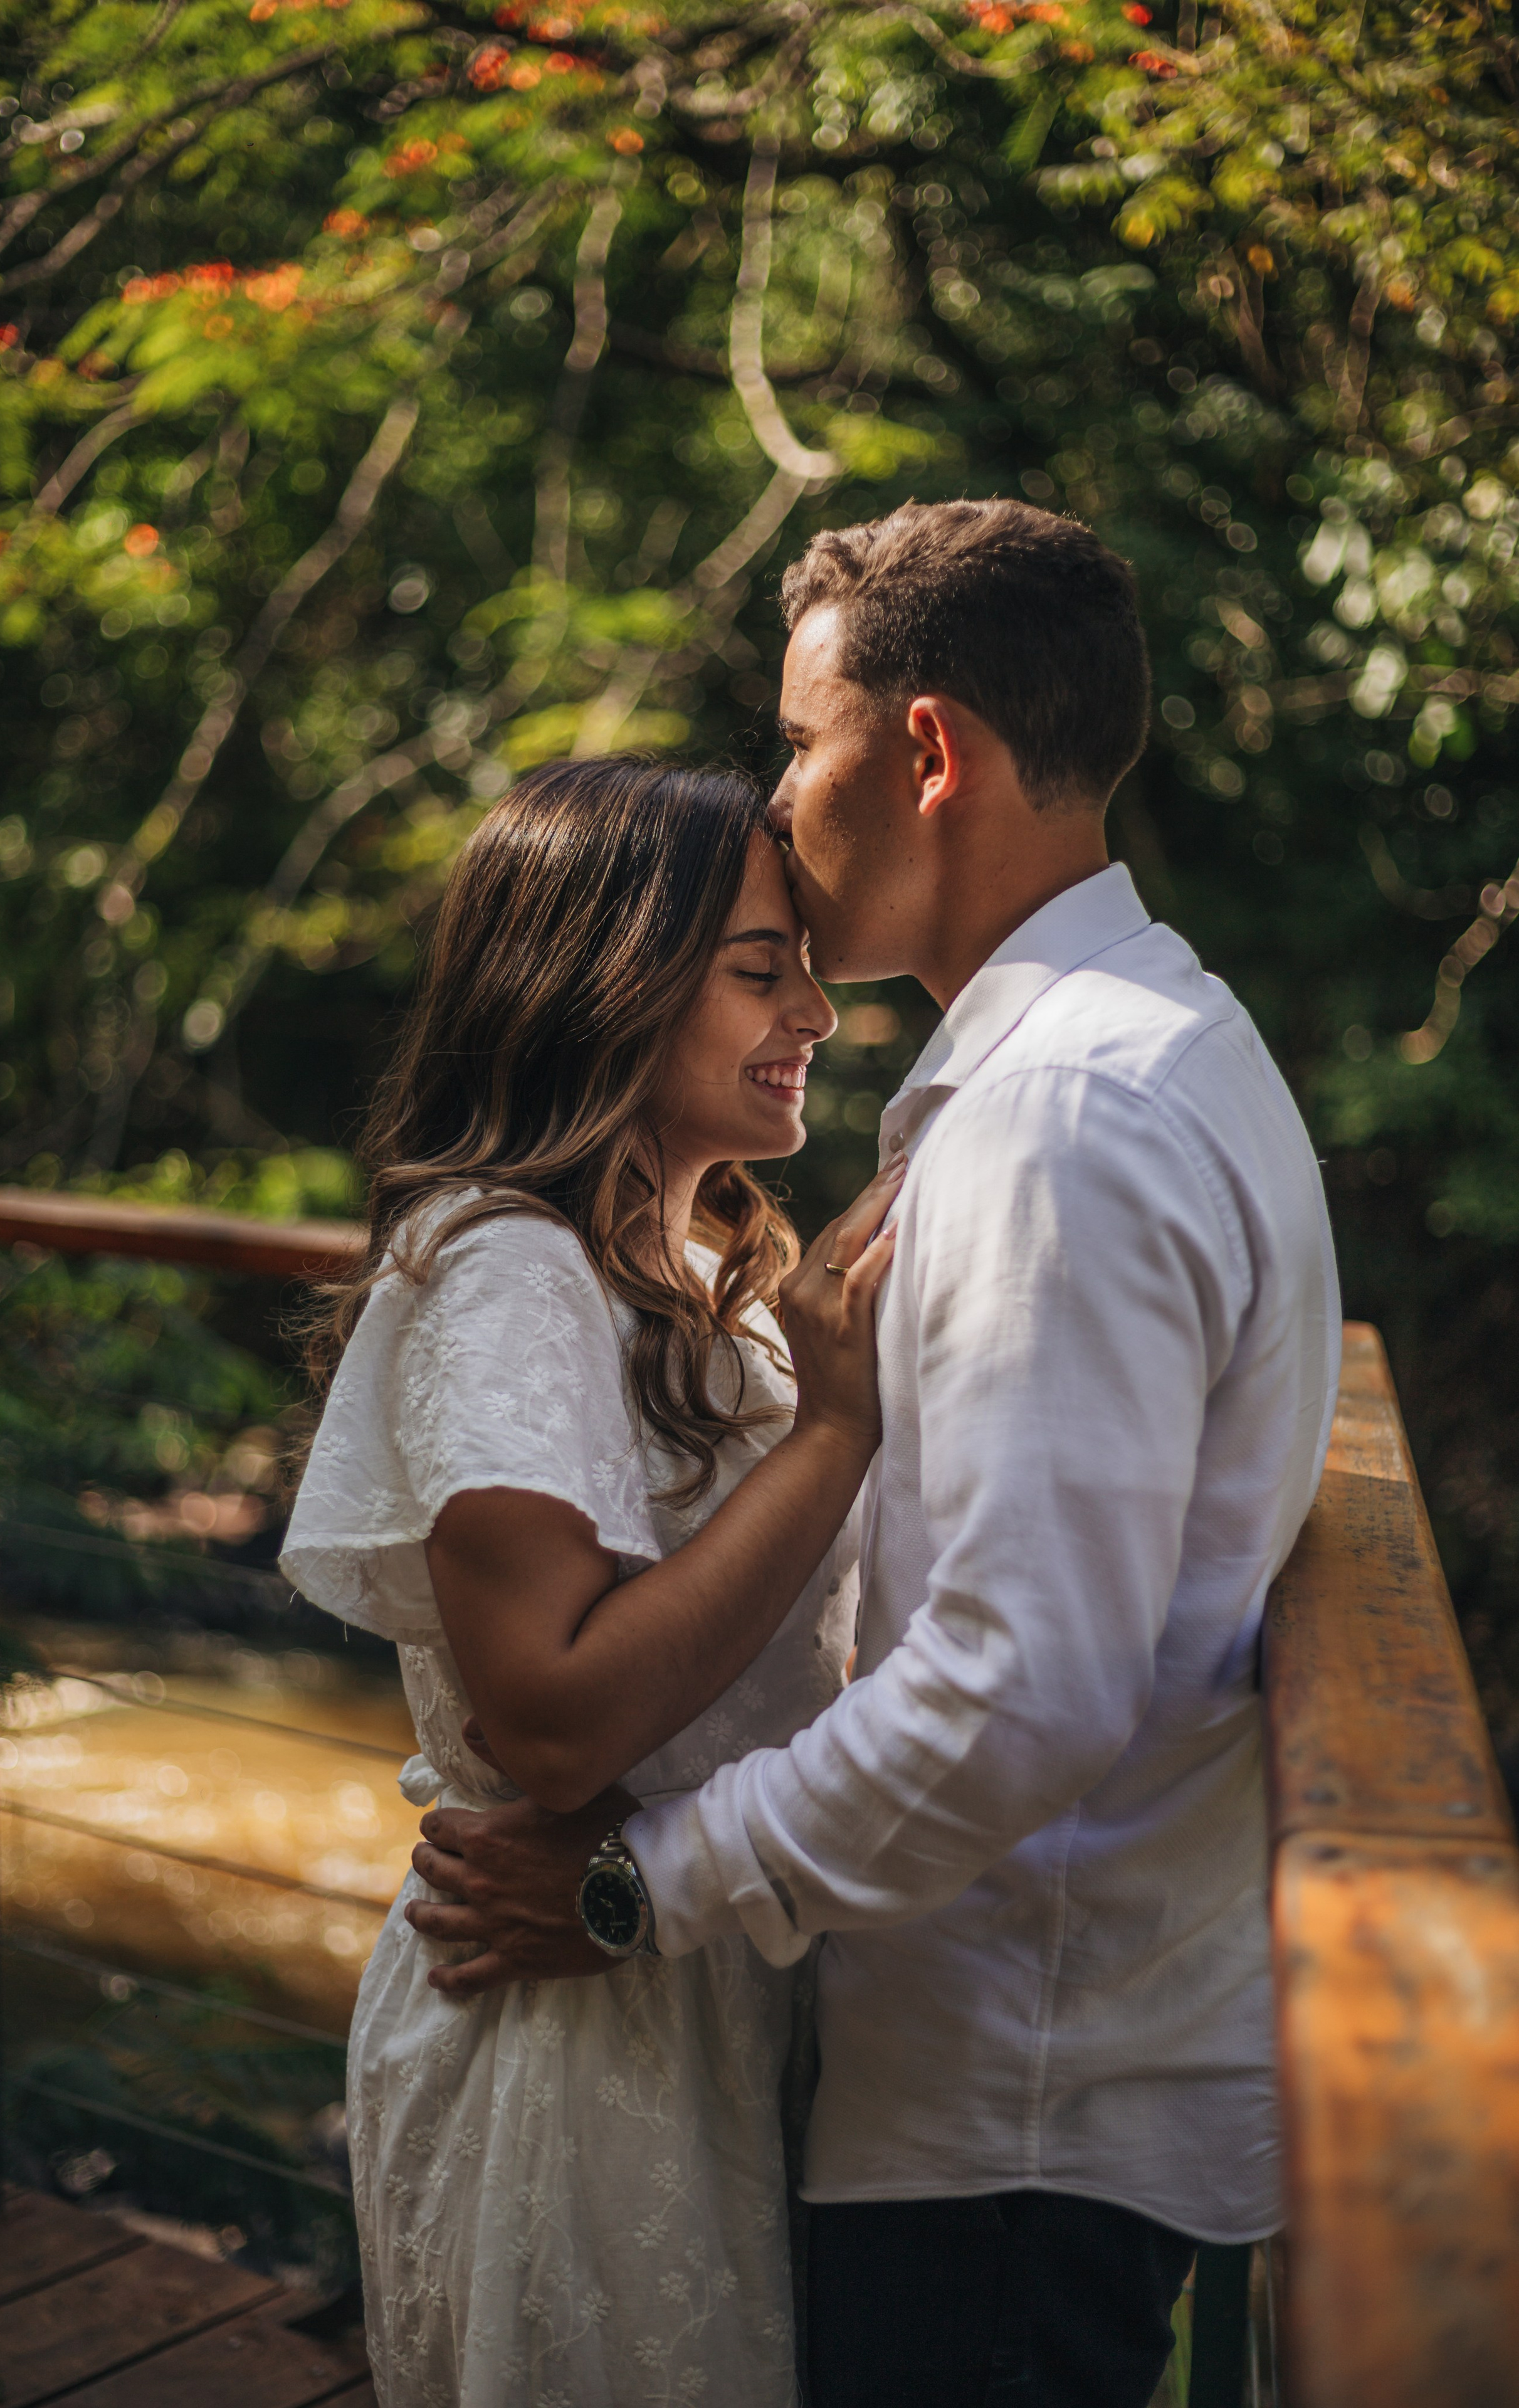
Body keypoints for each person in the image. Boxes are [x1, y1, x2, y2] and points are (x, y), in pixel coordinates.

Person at [406, 500, 1343, 2408]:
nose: (777, 794)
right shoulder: (1157, 1043)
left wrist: (640, 1887)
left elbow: (1019, 1682)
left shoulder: (1062, 1123)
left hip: (1013, 2097)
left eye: (797, 739)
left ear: (925, 751)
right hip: (1032, 2054)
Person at [280, 755, 901, 2407]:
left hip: (703, 1975)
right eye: (761, 972)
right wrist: (836, 1435)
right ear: (608, 984)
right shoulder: (510, 1272)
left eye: (806, 970)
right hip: (561, 2032)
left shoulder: (706, 1270)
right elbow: (550, 1726)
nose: (817, 1014)